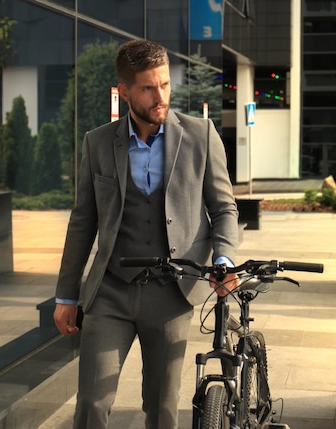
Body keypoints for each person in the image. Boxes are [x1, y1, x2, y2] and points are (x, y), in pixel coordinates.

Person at [53, 39, 239, 429]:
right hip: (110, 292)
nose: (160, 97)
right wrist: (67, 295)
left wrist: (223, 258)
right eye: (148, 88)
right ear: (124, 92)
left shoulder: (201, 136)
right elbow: (83, 221)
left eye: (165, 85)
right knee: (91, 403)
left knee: (162, 409)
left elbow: (223, 209)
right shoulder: (99, 142)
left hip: (172, 293)